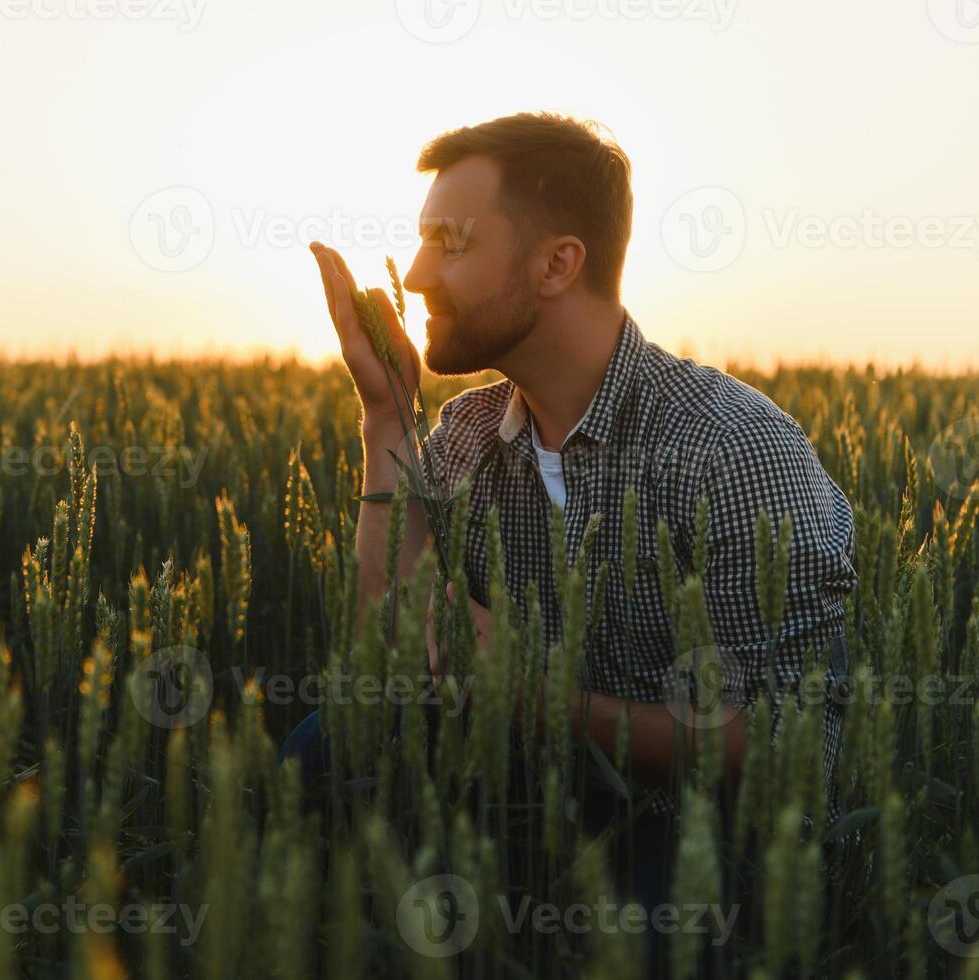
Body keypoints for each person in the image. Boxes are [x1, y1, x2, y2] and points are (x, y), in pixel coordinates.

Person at [286, 111, 857, 976]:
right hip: (519, 793)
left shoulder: (734, 447)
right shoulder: (467, 432)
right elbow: (392, 643)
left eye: (451, 242)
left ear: (557, 263)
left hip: (692, 830)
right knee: (321, 751)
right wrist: (383, 415)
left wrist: (538, 698)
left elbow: (784, 740)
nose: (416, 274)